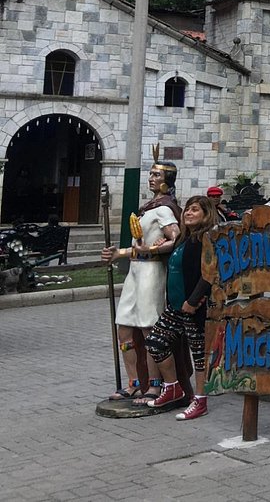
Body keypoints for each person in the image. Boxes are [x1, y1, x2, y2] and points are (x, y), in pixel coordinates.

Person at [101, 161, 181, 401]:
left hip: (152, 273)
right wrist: (119, 253)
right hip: (135, 273)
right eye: (150, 173)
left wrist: (154, 250)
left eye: (156, 174)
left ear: (167, 179)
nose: (151, 177)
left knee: (149, 330)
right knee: (124, 329)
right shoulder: (148, 208)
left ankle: (155, 386)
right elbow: (139, 246)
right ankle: (134, 382)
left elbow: (175, 239)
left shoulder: (165, 209)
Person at [143, 195, 216, 419]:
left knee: (198, 354)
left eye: (195, 210)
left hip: (194, 307)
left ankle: (200, 401)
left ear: (206, 215)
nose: (189, 213)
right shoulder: (183, 239)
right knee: (155, 342)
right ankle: (172, 386)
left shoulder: (206, 239)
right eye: (187, 210)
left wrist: (193, 301)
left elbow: (208, 274)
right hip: (175, 306)